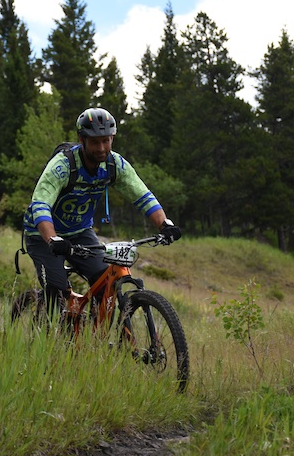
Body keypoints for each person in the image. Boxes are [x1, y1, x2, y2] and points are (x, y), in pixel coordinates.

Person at [23, 107, 182, 315]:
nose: (101, 148)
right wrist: (53, 239)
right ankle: (48, 331)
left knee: (105, 281)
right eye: (95, 142)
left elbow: (142, 195)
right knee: (57, 291)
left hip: (80, 231)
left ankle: (95, 330)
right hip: (43, 235)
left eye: (106, 141)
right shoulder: (63, 166)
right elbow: (40, 204)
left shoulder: (115, 165)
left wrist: (164, 224)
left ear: (112, 138)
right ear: (82, 139)